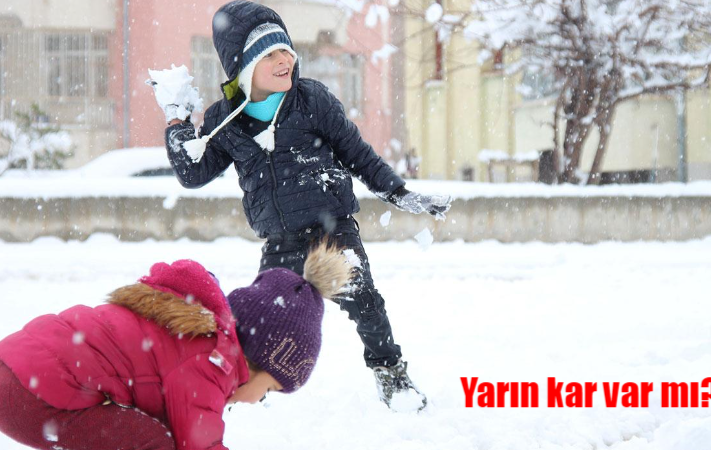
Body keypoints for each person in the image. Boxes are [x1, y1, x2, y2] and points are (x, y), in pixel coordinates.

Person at [154, 0, 451, 411]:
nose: (284, 60)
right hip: (280, 240)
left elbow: (357, 153)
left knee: (366, 303)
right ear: (243, 66)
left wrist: (399, 193)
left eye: (286, 50)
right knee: (258, 321)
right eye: (270, 54)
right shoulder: (225, 120)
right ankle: (244, 385)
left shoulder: (311, 100)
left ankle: (391, 376)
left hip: (332, 232)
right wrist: (177, 123)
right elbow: (193, 173)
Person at [0, 243, 351, 450]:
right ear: (258, 358)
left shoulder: (194, 337)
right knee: (154, 443)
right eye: (271, 389)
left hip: (16, 372)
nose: (259, 400)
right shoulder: (211, 361)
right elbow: (199, 443)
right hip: (33, 397)